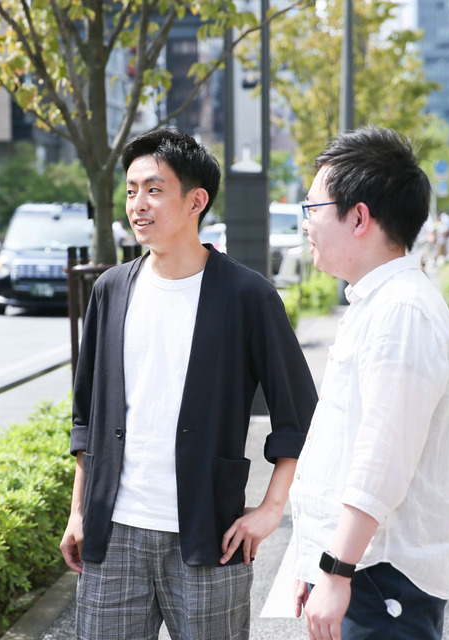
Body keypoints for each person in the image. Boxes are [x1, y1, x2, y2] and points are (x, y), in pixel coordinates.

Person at [59, 127, 318, 639]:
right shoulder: (111, 290)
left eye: (154, 190)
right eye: (131, 190)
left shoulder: (247, 296)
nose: (138, 204)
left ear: (196, 201)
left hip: (208, 534)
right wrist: (78, 512)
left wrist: (271, 510)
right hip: (115, 532)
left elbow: (301, 415)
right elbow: (87, 417)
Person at [285, 127, 449, 640]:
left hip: (379, 579)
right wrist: (315, 559)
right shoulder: (380, 302)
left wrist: (335, 570)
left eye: (313, 207)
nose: (306, 223)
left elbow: (381, 460)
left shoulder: (402, 311)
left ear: (359, 217)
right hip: (362, 572)